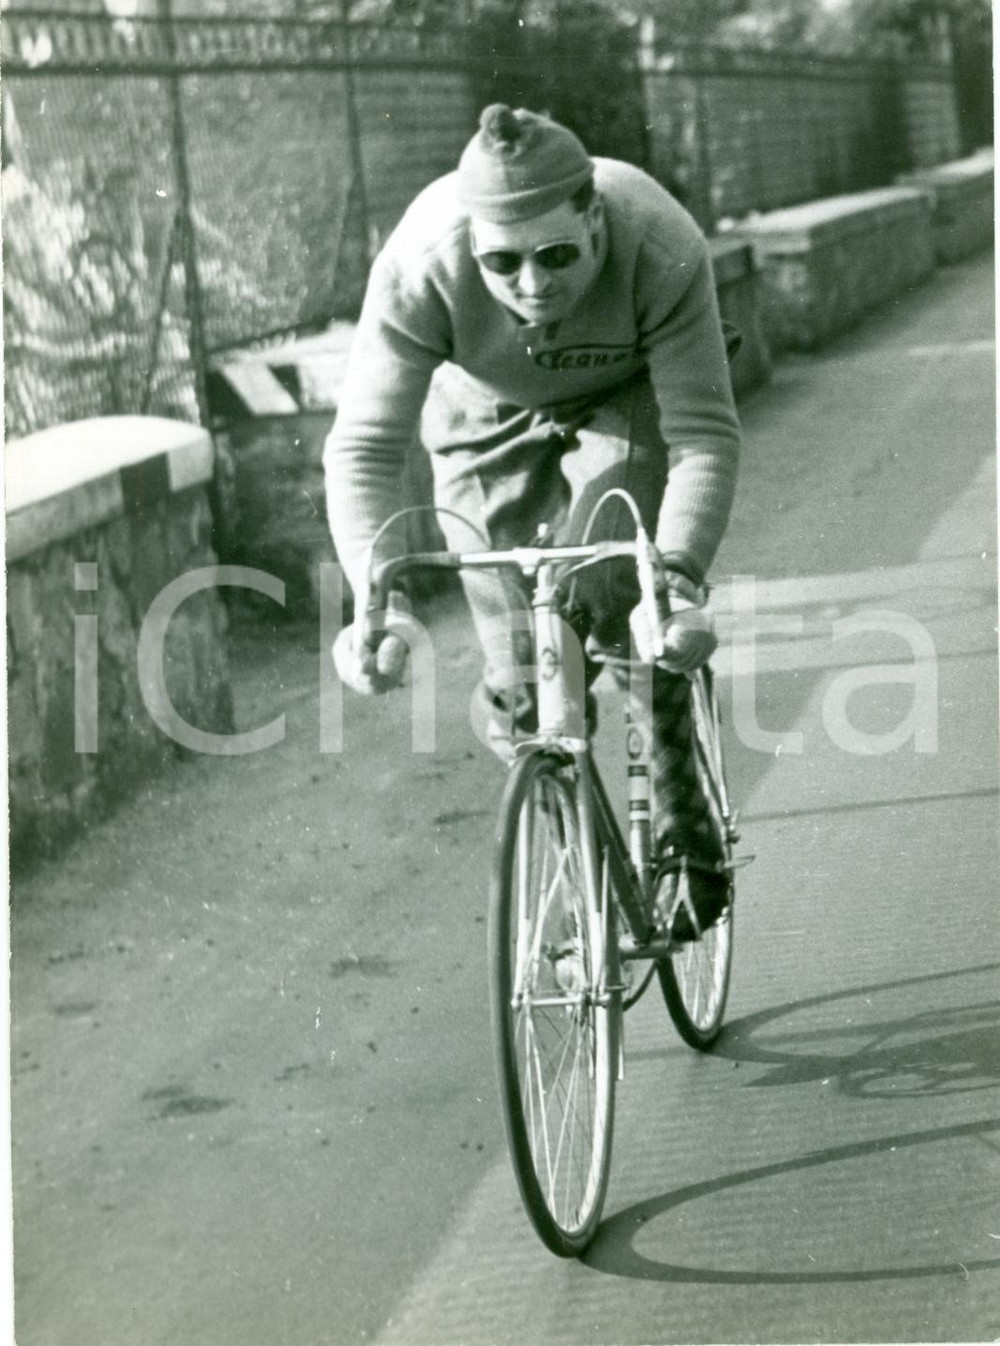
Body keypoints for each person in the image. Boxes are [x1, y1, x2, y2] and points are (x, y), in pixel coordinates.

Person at [325, 104, 741, 939]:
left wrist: (681, 578)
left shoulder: (659, 244)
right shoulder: (421, 263)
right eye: (502, 263)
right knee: (521, 679)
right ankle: (576, 865)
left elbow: (703, 435)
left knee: (618, 593)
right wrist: (380, 604)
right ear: (470, 243)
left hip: (624, 400)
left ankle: (682, 813)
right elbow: (364, 448)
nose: (531, 285)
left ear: (595, 217)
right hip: (484, 410)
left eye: (556, 255)